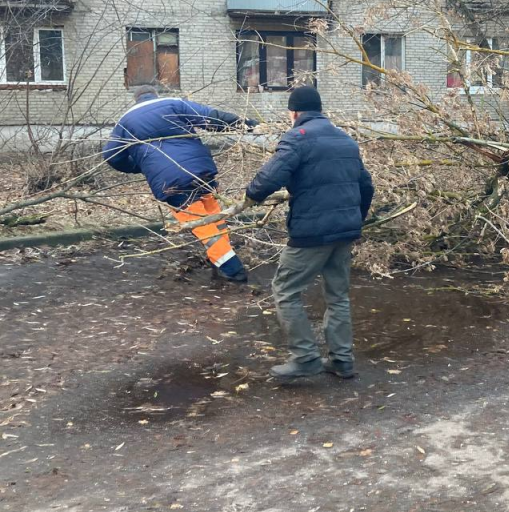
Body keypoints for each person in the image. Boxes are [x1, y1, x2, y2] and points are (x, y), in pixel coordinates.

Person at [243, 86, 374, 381]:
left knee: (285, 289)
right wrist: (355, 221)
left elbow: (270, 177)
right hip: (344, 231)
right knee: (337, 295)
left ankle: (305, 357)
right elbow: (366, 186)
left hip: (311, 232)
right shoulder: (345, 140)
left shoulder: (297, 138)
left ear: (294, 113)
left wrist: (251, 195)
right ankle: (342, 360)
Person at [103, 86, 254, 283]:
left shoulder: (125, 122)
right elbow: (212, 118)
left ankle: (234, 271)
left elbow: (111, 156)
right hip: (201, 170)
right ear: (154, 94)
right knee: (215, 217)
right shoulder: (173, 104)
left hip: (170, 182)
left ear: (136, 99)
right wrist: (248, 125)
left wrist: (141, 166)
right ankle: (219, 260)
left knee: (204, 228)